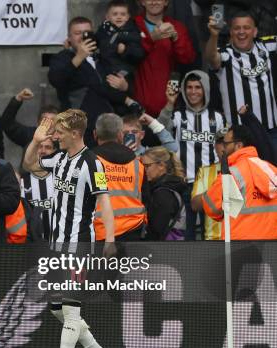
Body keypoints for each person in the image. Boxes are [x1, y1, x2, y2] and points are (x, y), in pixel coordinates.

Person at [23, 109, 116, 348]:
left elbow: (105, 202)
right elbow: (30, 165)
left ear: (75, 133)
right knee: (55, 307)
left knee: (71, 307)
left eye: (60, 132)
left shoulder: (92, 164)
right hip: (56, 245)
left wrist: (109, 238)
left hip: (79, 245)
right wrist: (35, 140)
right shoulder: (61, 159)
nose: (56, 136)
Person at [158, 70, 225, 240]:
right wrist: (169, 104)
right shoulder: (177, 115)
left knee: (210, 231)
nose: (193, 91)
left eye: (198, 87)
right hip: (184, 183)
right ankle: (189, 266)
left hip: (210, 184)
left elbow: (224, 148)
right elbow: (160, 131)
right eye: (189, 87)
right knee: (186, 234)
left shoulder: (217, 117)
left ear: (206, 90)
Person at [48, 17, 126, 147]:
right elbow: (56, 80)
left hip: (106, 129)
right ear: (69, 38)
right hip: (79, 130)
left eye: (87, 33)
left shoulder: (101, 58)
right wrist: (79, 57)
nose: (83, 36)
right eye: (77, 33)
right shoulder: (62, 57)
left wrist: (124, 86)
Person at [206, 11, 277, 151]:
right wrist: (214, 35)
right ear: (231, 32)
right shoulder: (225, 54)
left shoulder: (267, 46)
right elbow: (211, 57)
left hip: (270, 130)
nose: (241, 32)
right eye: (237, 28)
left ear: (255, 31)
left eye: (246, 27)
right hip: (239, 137)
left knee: (272, 172)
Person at [192, 125, 277, 239]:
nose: (223, 148)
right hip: (271, 244)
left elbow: (211, 207)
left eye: (226, 144)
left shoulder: (230, 174)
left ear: (239, 145)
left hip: (240, 243)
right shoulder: (272, 169)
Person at [134, 0, 196, 118]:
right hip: (137, 104)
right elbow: (126, 57)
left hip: (167, 103)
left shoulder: (177, 27)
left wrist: (176, 39)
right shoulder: (133, 24)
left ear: (166, 2)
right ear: (142, 2)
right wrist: (150, 38)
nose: (154, 2)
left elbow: (188, 59)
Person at [93, 113, 146, 241]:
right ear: (120, 135)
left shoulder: (90, 162)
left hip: (100, 233)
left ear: (95, 134)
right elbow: (146, 199)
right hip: (134, 231)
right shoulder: (137, 164)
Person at [95, 0, 146, 114]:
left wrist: (125, 50)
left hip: (124, 71)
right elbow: (94, 42)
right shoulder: (103, 30)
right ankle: (128, 103)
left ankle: (130, 105)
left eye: (123, 14)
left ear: (128, 17)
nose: (119, 17)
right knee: (103, 88)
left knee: (119, 94)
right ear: (107, 17)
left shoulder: (132, 32)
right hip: (106, 68)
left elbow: (139, 54)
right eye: (115, 14)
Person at [140, 146, 187, 240]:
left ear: (161, 165)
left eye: (147, 166)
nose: (143, 170)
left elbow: (156, 229)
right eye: (141, 166)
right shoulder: (169, 187)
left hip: (161, 249)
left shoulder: (163, 193)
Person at [191, 130, 226, 240]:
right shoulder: (205, 171)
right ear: (215, 147)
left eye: (229, 142)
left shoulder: (248, 168)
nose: (225, 146)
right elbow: (195, 206)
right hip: (214, 238)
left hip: (243, 237)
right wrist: (218, 189)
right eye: (221, 142)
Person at [20, 137, 57, 241]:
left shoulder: (62, 179)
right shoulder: (21, 183)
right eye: (39, 147)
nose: (43, 151)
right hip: (32, 245)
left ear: (54, 152)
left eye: (48, 147)